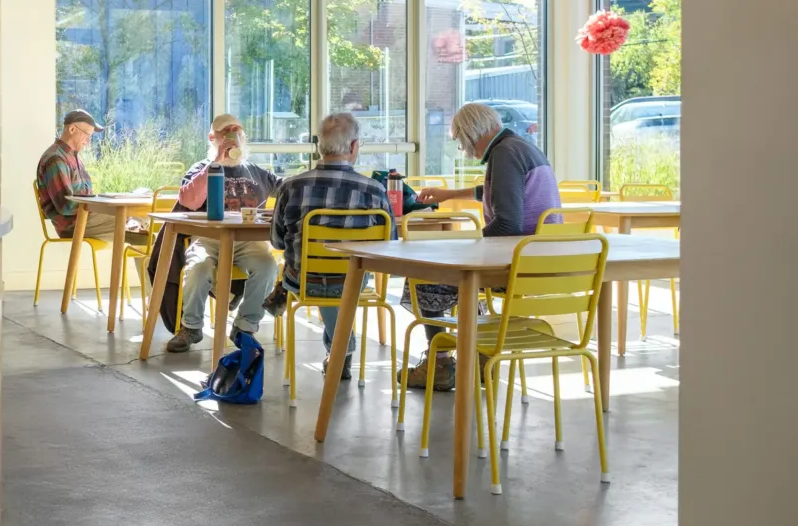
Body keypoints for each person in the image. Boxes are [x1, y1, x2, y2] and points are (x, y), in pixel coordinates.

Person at [404, 102, 562, 390]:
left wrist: (459, 244)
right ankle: (479, 356)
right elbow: (499, 192)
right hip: (540, 258)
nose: (462, 148)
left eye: (459, 140)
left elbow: (506, 225)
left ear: (469, 133)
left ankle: (439, 363)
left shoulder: (504, 155)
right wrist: (451, 194)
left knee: (423, 276)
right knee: (461, 275)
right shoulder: (519, 147)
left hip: (515, 262)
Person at [268, 113, 393, 379]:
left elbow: (277, 241)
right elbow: (388, 247)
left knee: (313, 276)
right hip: (353, 281)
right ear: (353, 147)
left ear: (319, 146)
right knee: (339, 283)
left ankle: (340, 350)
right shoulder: (375, 191)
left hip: (303, 280)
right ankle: (340, 353)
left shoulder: (291, 186)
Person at [165, 114, 282, 353]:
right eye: (225, 132)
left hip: (248, 241)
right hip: (210, 239)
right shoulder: (201, 168)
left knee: (268, 266)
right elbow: (188, 199)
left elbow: (287, 190)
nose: (232, 136)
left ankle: (245, 326)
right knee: (198, 267)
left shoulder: (256, 171)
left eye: (236, 131)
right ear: (213, 138)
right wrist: (217, 160)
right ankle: (191, 327)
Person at [35, 109, 146, 243]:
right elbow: (66, 206)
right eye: (87, 134)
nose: (88, 140)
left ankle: (136, 231)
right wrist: (102, 206)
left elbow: (85, 195)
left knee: (141, 222)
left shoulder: (73, 157)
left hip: (86, 218)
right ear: (71, 129)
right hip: (74, 225)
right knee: (142, 228)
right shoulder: (56, 159)